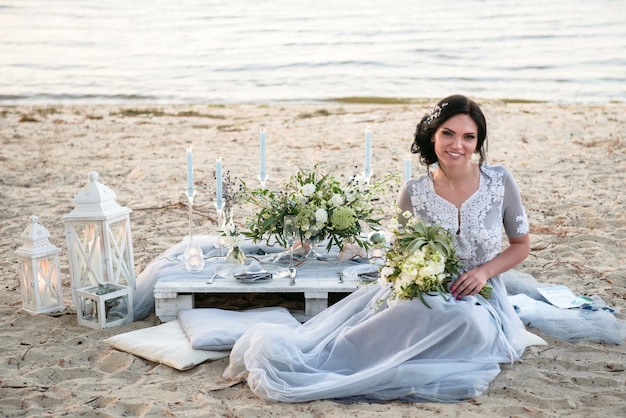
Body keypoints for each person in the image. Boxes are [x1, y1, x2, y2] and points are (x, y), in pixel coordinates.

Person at [223, 94, 531, 403]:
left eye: (468, 137)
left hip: (483, 293)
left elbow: (520, 246)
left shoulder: (499, 182)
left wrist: (483, 272)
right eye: (448, 133)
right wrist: (419, 274)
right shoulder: (414, 192)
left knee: (470, 324)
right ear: (433, 135)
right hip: (427, 284)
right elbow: (400, 253)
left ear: (478, 143)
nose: (457, 145)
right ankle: (342, 361)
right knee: (424, 310)